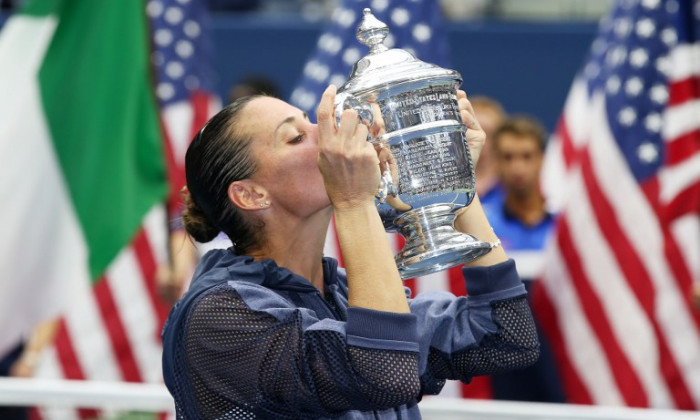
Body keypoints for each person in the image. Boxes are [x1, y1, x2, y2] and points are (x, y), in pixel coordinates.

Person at [161, 85, 540, 419]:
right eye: (296, 137)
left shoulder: (343, 291)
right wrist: (355, 201)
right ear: (251, 195)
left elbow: (506, 336)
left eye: (311, 120)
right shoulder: (218, 315)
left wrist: (454, 183)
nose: (328, 134)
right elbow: (383, 372)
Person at [482, 116, 566, 403]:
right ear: (495, 161)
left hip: (564, 358)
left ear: (543, 159)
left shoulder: (569, 222)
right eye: (508, 157)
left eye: (527, 156)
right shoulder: (481, 223)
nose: (518, 167)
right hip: (503, 367)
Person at [471, 96, 506, 209]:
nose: (480, 141)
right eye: (472, 132)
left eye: (488, 134)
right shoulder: (447, 190)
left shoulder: (512, 187)